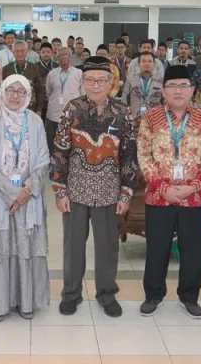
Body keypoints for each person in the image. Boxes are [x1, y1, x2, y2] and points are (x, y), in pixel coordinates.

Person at [50, 56, 138, 318]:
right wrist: (59, 190)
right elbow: (60, 150)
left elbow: (129, 154)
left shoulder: (122, 112)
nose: (96, 85)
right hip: (75, 192)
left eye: (101, 80)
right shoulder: (72, 109)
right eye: (90, 80)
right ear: (83, 82)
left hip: (109, 193)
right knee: (73, 246)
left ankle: (107, 294)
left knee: (108, 247)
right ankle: (71, 293)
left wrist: (126, 193)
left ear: (111, 83)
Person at [137, 65, 201, 318]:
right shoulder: (151, 118)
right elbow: (144, 155)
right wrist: (163, 188)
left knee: (192, 250)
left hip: (193, 197)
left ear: (192, 90)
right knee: (157, 248)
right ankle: (153, 295)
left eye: (184, 86)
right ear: (163, 91)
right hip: (158, 197)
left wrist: (192, 187)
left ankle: (189, 296)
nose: (178, 91)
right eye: (172, 86)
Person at [0, 75, 51, 321]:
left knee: (26, 247)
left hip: (29, 198)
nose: (15, 96)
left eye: (21, 91)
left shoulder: (36, 122)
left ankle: (26, 302)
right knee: (1, 248)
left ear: (28, 95)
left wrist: (25, 191)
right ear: (3, 93)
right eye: (11, 90)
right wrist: (12, 193)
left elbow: (43, 160)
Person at [45, 46, 83, 144]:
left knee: (72, 142)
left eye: (66, 55)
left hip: (73, 114)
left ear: (70, 57)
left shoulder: (79, 73)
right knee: (52, 141)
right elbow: (48, 92)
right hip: (54, 114)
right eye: (60, 55)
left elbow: (83, 94)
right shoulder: (52, 73)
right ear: (57, 58)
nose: (63, 57)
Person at [2, 40, 46, 114]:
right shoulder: (6, 69)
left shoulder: (34, 68)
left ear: (27, 51)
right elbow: (3, 92)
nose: (20, 53)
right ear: (13, 52)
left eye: (22, 51)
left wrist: (39, 110)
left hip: (30, 110)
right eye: (17, 51)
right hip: (11, 110)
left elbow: (39, 90)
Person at [123, 51, 164, 118]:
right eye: (143, 61)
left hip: (155, 119)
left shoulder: (161, 81)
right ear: (139, 64)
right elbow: (124, 99)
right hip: (134, 118)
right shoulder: (130, 79)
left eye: (150, 61)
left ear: (154, 64)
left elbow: (165, 101)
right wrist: (127, 116)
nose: (146, 64)